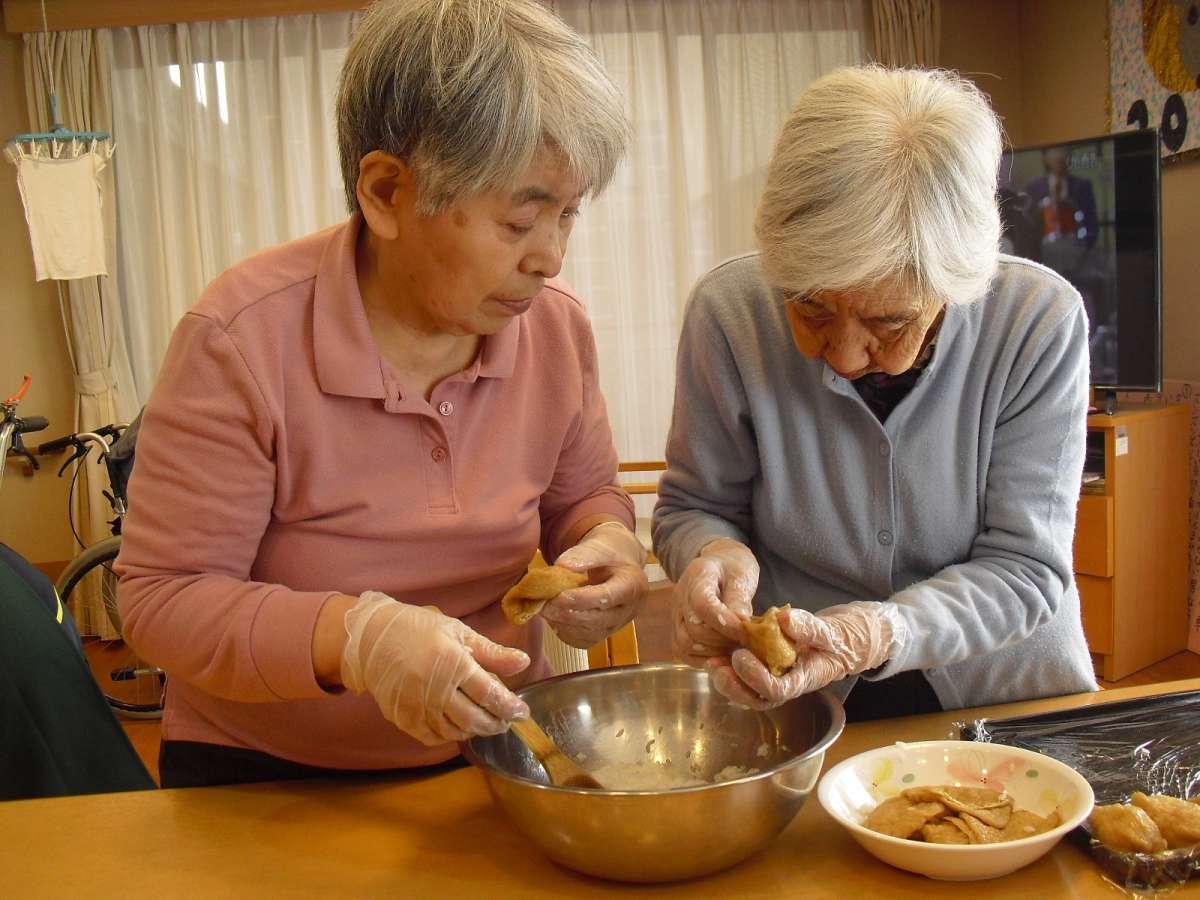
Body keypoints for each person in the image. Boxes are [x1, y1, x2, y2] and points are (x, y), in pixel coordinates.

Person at [115, 0, 647, 787]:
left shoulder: (555, 329)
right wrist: (357, 640)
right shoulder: (241, 338)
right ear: (388, 191)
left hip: (492, 749)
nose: (550, 258)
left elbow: (584, 497)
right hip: (267, 771)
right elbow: (164, 601)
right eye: (518, 223)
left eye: (567, 216)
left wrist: (608, 544)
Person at [653, 66, 1097, 721]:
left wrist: (875, 632)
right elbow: (692, 507)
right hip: (799, 701)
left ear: (955, 287)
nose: (843, 355)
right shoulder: (729, 313)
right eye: (810, 306)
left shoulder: (1038, 321)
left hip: (1002, 693)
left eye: (888, 322)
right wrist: (712, 555)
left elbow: (1025, 566)